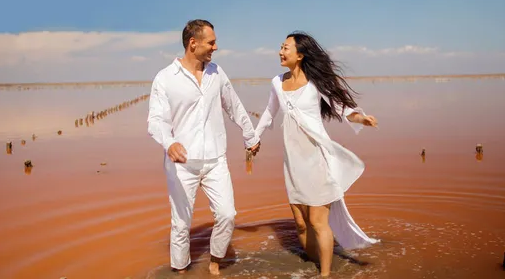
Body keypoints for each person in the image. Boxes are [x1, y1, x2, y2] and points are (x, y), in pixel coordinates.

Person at [254, 31, 380, 277]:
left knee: (317, 221)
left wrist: (362, 118)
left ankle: (325, 273)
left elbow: (343, 108)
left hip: (316, 159)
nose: (281, 51)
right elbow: (269, 113)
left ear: (300, 55)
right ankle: (316, 260)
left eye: (286, 48)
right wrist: (254, 138)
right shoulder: (277, 83)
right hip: (292, 161)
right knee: (301, 223)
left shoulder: (315, 84)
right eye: (281, 47)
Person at [147, 19, 261, 275]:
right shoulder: (165, 78)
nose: (215, 47)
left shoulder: (216, 73)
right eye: (211, 42)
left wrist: (250, 135)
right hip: (181, 164)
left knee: (227, 214)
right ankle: (181, 270)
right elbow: (155, 121)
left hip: (215, 160)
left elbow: (234, 105)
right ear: (193, 43)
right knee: (180, 224)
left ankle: (215, 261)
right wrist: (169, 142)